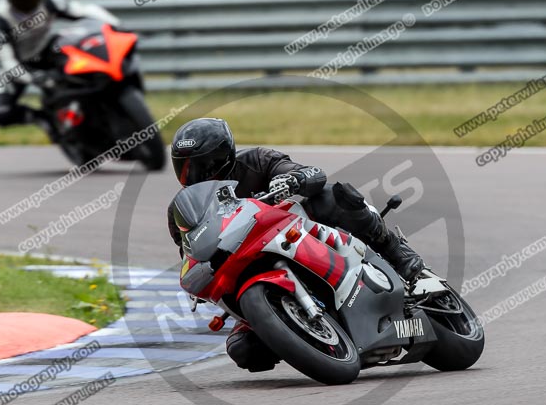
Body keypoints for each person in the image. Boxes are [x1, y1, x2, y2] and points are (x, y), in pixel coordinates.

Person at [168, 118, 426, 373]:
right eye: (184, 168)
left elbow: (310, 173)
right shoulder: (183, 210)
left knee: (332, 196)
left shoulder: (257, 161)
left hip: (290, 232)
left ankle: (394, 249)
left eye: (201, 166)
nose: (192, 175)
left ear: (223, 157)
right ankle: (306, 336)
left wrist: (295, 179)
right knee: (243, 349)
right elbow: (191, 253)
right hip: (246, 270)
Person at [0, 0, 120, 139]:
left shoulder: (52, 3)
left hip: (47, 51)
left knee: (82, 58)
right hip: (18, 64)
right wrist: (33, 78)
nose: (26, 6)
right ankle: (44, 119)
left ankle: (104, 101)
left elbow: (88, 11)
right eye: (20, 0)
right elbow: (7, 62)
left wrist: (116, 25)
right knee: (2, 114)